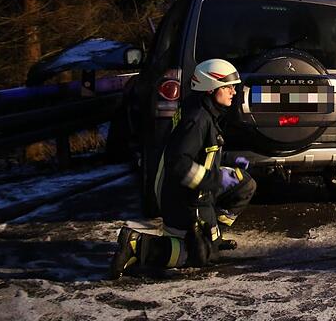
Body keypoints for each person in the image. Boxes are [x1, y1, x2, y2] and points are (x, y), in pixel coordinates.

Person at [110, 59, 257, 278]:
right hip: (184, 199)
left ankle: (212, 238)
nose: (233, 92)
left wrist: (227, 163)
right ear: (211, 88)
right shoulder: (197, 119)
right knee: (197, 256)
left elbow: (203, 152)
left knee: (245, 184)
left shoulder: (206, 112)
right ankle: (137, 244)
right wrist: (214, 180)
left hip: (198, 192)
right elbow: (179, 164)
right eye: (228, 87)